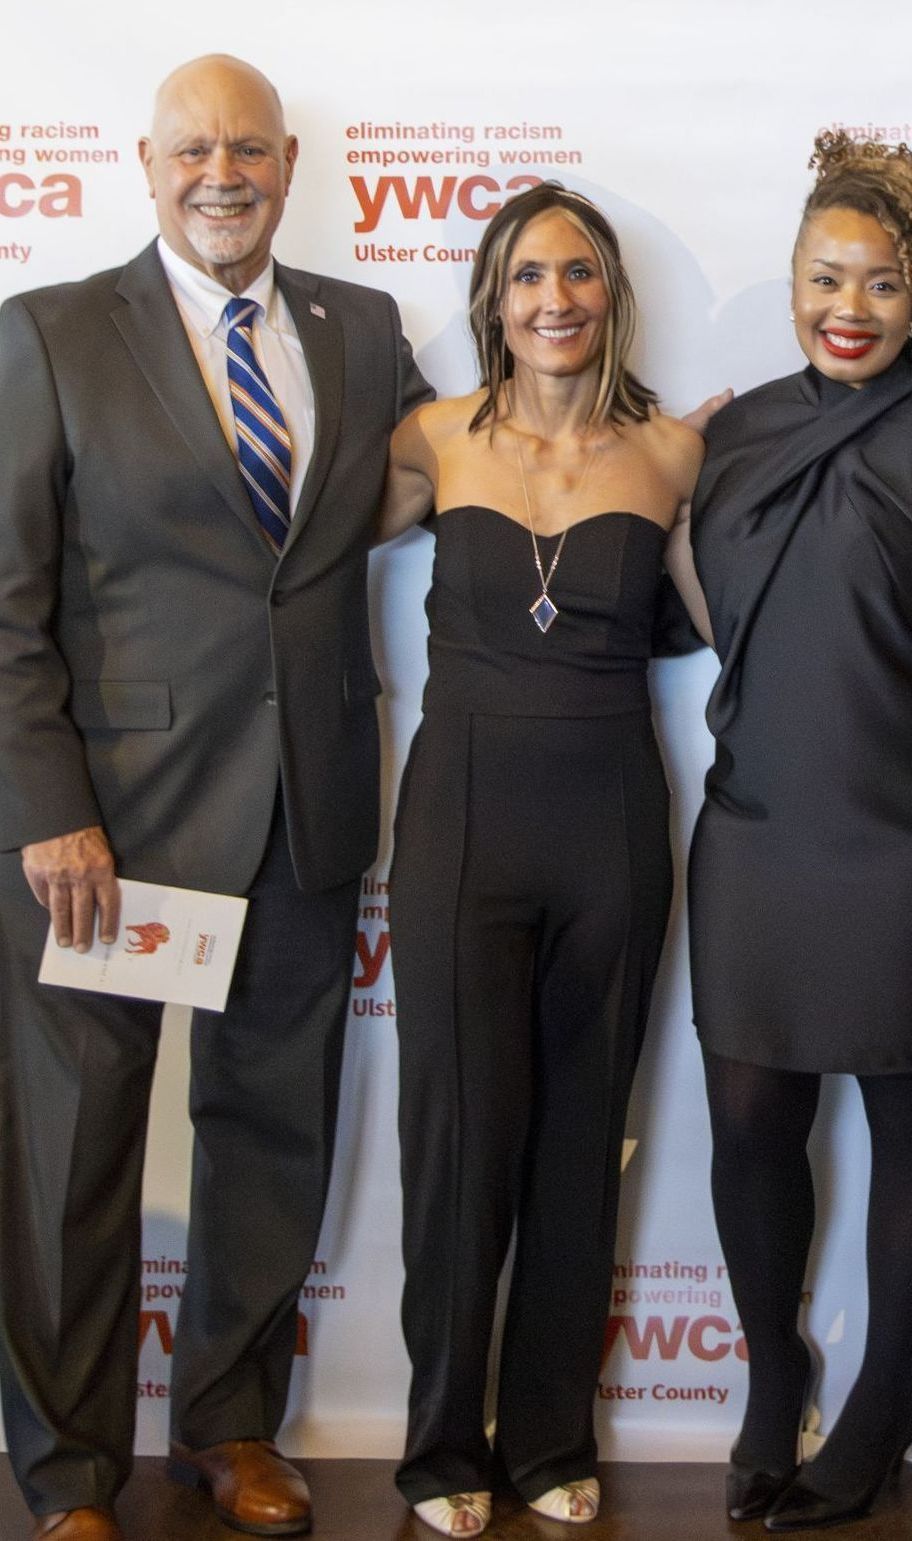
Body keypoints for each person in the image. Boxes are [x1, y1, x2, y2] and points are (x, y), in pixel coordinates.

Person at [0, 55, 429, 1541]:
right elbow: (6, 602)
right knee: (73, 1156)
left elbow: (465, 459)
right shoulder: (51, 333)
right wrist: (47, 806)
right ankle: (67, 1470)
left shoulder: (363, 328)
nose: (222, 174)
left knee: (272, 1136)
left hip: (305, 808)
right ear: (146, 164)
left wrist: (630, 438)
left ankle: (230, 1425)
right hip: (108, 833)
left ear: (290, 163)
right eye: (194, 149)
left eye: (247, 147)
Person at [686, 133, 912, 1532]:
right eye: (826, 277)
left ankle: (886, 1391)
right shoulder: (730, 439)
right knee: (747, 1122)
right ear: (791, 280)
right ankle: (773, 1374)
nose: (850, 308)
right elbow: (690, 616)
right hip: (753, 836)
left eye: (883, 284)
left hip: (909, 848)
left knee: (910, 1120)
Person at [376, 182, 711, 1538]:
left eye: (577, 273)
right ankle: (441, 1445)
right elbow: (280, 556)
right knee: (458, 1139)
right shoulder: (428, 438)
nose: (553, 299)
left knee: (583, 1139)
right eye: (527, 276)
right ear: (492, 298)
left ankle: (550, 1436)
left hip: (612, 823)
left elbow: (740, 623)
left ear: (610, 293)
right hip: (459, 819)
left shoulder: (674, 454)